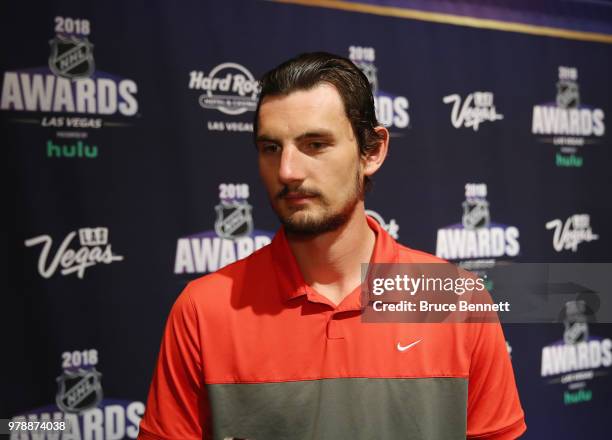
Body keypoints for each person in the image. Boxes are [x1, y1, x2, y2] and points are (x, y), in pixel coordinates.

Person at [138, 52, 526, 440]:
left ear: (371, 151)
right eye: (271, 148)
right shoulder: (203, 311)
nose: (288, 171)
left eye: (315, 144)